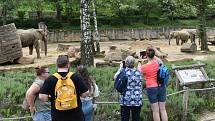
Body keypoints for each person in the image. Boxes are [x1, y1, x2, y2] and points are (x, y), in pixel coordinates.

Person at [39, 55, 89, 121]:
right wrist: (77, 95)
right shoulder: (76, 77)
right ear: (68, 65)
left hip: (58, 116)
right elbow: (86, 93)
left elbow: (42, 97)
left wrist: (52, 98)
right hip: (76, 116)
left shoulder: (50, 79)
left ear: (56, 65)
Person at [138, 48, 168, 121]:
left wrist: (139, 61)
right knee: (163, 109)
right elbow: (160, 62)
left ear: (146, 56)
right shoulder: (157, 63)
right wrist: (153, 55)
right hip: (161, 86)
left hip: (151, 88)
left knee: (155, 110)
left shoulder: (144, 67)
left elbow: (138, 71)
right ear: (154, 55)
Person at [114, 56, 143, 121]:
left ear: (126, 64)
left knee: (124, 118)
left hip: (125, 100)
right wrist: (140, 62)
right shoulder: (138, 72)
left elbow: (115, 77)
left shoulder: (122, 72)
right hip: (137, 99)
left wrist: (120, 68)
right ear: (134, 63)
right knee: (136, 118)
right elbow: (139, 68)